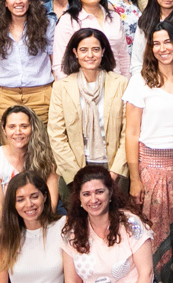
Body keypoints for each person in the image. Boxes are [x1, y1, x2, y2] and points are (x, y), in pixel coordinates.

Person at [124, 25, 173, 283]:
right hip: (151, 169)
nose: (163, 48)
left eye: (168, 41)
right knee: (154, 235)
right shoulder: (140, 80)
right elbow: (130, 133)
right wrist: (135, 178)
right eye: (156, 43)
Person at [49, 28, 129, 189]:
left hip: (113, 169)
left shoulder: (121, 83)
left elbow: (128, 132)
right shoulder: (61, 87)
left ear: (103, 51)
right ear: (75, 52)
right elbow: (56, 135)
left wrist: (115, 172)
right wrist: (77, 176)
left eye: (95, 49)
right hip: (75, 170)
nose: (90, 55)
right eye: (83, 50)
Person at [0, 0, 55, 128]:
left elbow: (53, 57)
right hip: (5, 96)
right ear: (5, 2)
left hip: (40, 94)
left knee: (41, 145)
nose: (18, 1)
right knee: (11, 146)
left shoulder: (46, 24)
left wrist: (55, 88)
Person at [53, 0, 133, 79]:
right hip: (81, 88)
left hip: (115, 85)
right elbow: (60, 65)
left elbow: (123, 56)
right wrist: (70, 91)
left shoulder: (114, 17)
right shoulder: (68, 21)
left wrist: (126, 85)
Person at [0, 103, 61, 217]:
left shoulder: (46, 157)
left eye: (24, 126)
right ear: (4, 130)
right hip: (7, 224)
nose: (18, 132)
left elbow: (52, 205)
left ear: (32, 128)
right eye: (12, 127)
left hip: (42, 221)